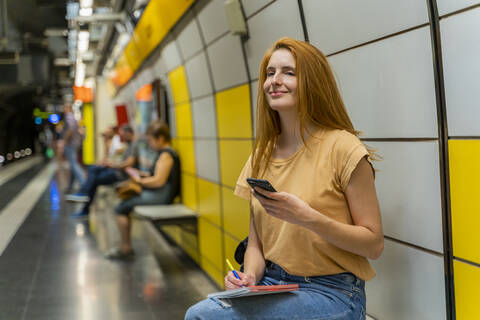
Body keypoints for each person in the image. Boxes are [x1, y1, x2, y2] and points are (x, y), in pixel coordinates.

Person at [185, 37, 384, 320]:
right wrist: (249, 276)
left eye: (289, 72)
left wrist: (308, 218)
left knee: (203, 317)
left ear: (313, 82)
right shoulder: (261, 155)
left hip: (333, 292)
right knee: (201, 313)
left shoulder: (343, 148)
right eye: (270, 72)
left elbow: (374, 245)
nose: (275, 81)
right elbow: (256, 244)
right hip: (274, 285)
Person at [105, 120, 180, 260]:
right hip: (160, 193)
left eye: (151, 140)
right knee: (123, 204)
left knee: (121, 207)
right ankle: (125, 247)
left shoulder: (166, 155)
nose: (149, 144)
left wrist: (139, 181)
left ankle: (125, 248)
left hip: (161, 195)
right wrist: (140, 174)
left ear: (161, 138)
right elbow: (157, 175)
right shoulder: (163, 153)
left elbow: (159, 181)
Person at [66, 124, 136, 217]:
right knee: (93, 169)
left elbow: (129, 162)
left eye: (122, 134)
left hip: (120, 174)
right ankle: (83, 194)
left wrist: (114, 165)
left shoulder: (134, 145)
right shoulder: (129, 145)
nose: (121, 137)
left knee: (94, 178)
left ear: (128, 133)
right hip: (117, 170)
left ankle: (84, 197)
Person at [63, 104, 86, 192]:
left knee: (74, 164)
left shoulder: (69, 116)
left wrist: (65, 141)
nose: (63, 109)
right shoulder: (73, 117)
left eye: (64, 107)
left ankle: (84, 185)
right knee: (73, 164)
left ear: (68, 108)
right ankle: (70, 186)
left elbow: (71, 129)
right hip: (75, 144)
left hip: (71, 144)